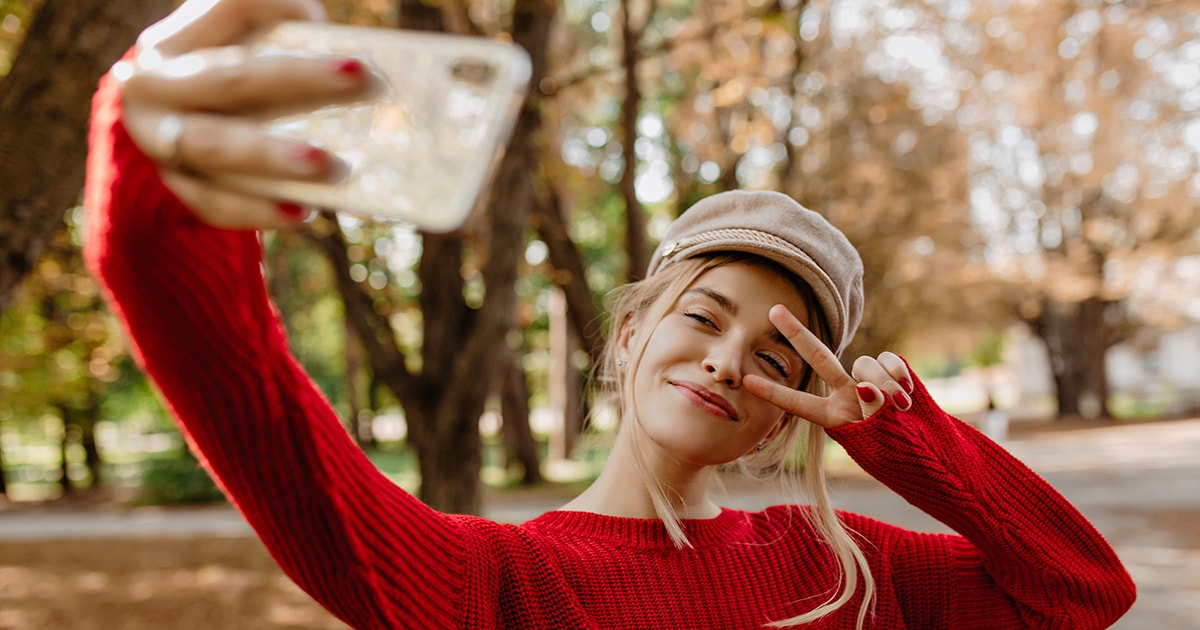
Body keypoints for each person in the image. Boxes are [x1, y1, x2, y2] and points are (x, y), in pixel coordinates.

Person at [82, 0, 1135, 627]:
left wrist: (907, 440)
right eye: (704, 317)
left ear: (785, 418)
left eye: (777, 358)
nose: (726, 362)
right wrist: (155, 204)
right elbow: (277, 436)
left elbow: (1083, 591)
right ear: (631, 331)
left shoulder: (850, 571)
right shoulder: (498, 585)